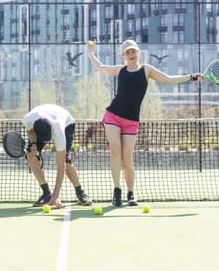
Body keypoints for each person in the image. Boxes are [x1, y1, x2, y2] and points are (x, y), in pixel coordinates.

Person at [87, 39, 204, 207]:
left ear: (138, 52)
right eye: (128, 52)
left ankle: (130, 192)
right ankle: (117, 190)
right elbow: (100, 67)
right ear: (123, 56)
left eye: (133, 51)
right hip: (112, 115)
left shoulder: (147, 70)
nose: (131, 54)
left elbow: (170, 79)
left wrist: (192, 77)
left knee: (127, 158)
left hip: (131, 121)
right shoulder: (120, 70)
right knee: (115, 149)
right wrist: (91, 53)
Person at [22, 104, 93, 209]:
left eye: (47, 138)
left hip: (67, 123)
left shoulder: (59, 130)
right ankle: (46, 194)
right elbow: (30, 131)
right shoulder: (28, 119)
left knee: (66, 160)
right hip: (44, 118)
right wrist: (34, 143)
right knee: (30, 155)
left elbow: (61, 165)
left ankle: (80, 192)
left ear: (51, 130)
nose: (46, 141)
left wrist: (56, 196)